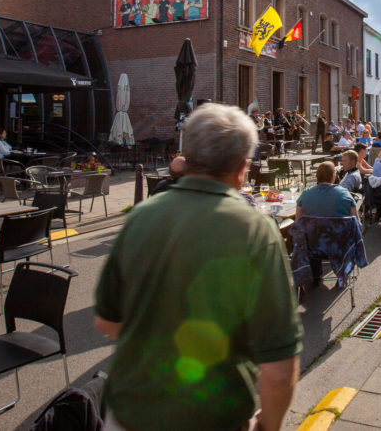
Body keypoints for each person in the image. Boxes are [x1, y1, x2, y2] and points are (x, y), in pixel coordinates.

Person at [95, 103, 302, 431]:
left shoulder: (140, 216)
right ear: (242, 168)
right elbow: (278, 369)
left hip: (128, 415)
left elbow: (107, 320)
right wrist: (268, 425)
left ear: (186, 159)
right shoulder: (255, 230)